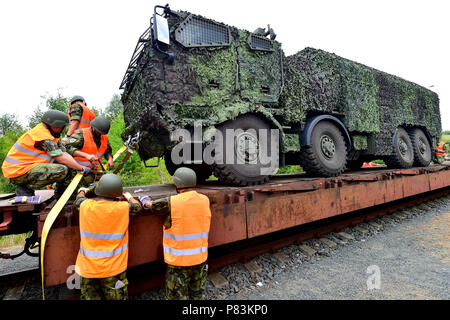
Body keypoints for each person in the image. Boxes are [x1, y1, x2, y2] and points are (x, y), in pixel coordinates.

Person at [140, 167, 211, 300]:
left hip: (179, 262)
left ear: (178, 184)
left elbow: (152, 206)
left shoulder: (173, 201)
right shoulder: (204, 200)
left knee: (174, 296)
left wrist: (144, 199)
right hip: (200, 258)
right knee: (197, 295)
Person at [74, 173, 143, 300]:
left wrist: (82, 191)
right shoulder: (123, 208)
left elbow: (78, 200)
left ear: (98, 190)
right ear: (118, 192)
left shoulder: (86, 206)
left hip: (88, 269)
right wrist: (129, 197)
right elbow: (137, 207)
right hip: (114, 270)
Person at [1, 110, 91, 197]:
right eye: (63, 127)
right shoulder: (43, 136)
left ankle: (61, 192)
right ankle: (25, 188)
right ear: (56, 125)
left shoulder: (51, 135)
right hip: (17, 172)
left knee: (70, 166)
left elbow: (65, 154)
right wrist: (81, 168)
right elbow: (61, 158)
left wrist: (77, 167)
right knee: (61, 169)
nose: (63, 129)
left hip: (26, 168)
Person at [64, 116, 114, 188]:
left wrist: (110, 159)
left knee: (106, 187)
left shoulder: (104, 137)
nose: (99, 134)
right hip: (78, 170)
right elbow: (67, 148)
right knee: (77, 190)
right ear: (93, 127)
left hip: (95, 170)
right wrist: (86, 155)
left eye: (101, 133)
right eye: (98, 132)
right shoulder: (81, 134)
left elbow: (108, 151)